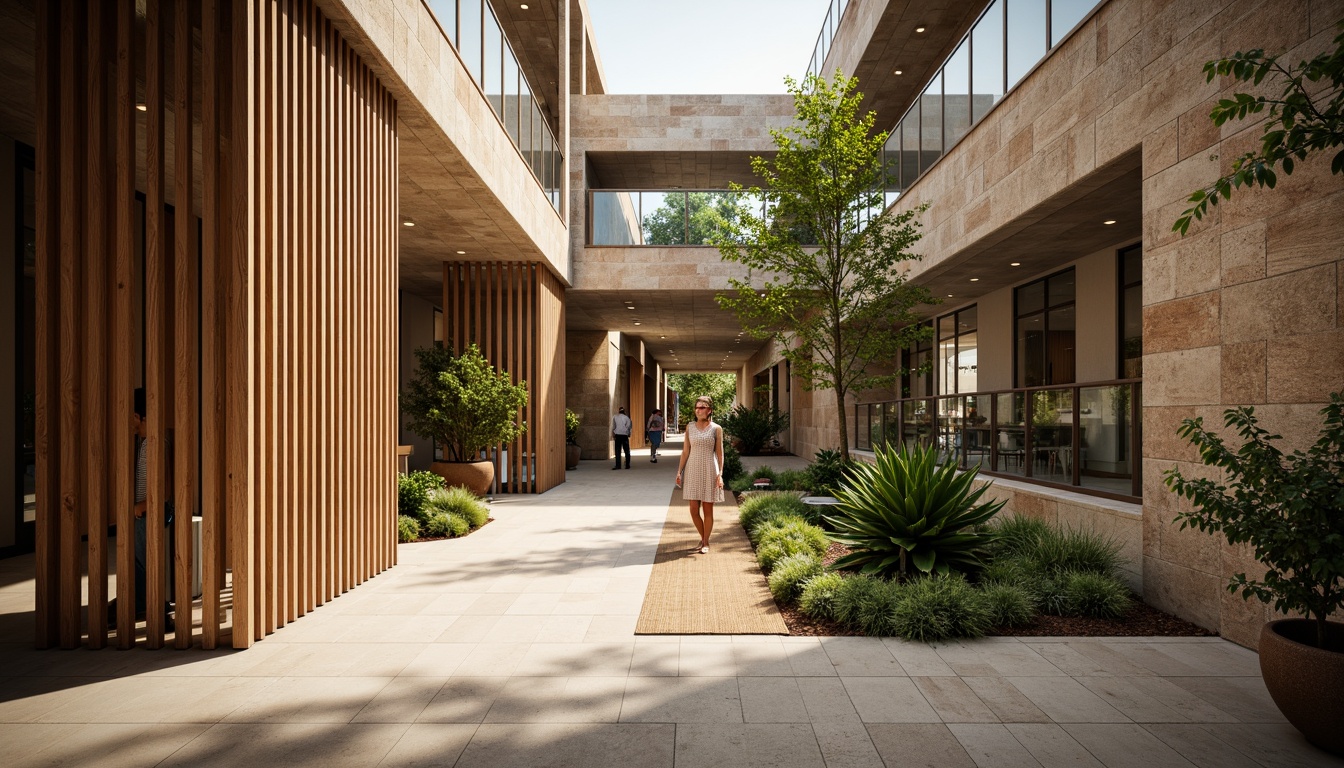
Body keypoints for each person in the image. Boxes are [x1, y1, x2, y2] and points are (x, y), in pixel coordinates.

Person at [675, 395, 724, 554]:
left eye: (702, 407)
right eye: (697, 407)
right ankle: (703, 537)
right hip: (692, 469)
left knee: (708, 509)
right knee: (693, 509)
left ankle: (705, 541)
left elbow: (720, 453)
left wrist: (720, 473)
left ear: (709, 410)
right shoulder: (690, 427)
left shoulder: (716, 428)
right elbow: (685, 451)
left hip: (710, 469)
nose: (698, 410)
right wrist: (679, 471)